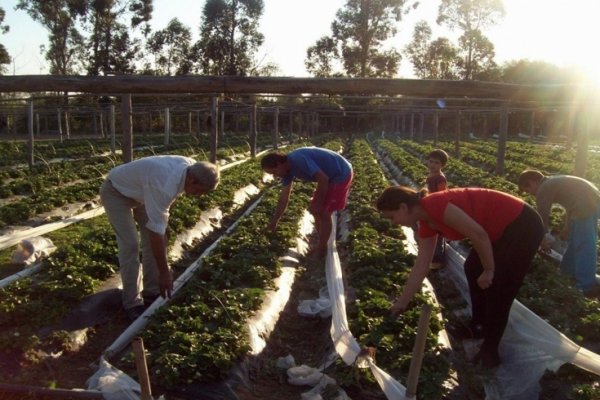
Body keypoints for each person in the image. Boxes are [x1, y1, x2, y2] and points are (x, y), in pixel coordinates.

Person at [376, 186, 544, 368]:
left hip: (522, 224)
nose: (392, 223)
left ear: (403, 207)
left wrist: (489, 269)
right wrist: (402, 302)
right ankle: (478, 326)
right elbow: (422, 264)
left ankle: (490, 350)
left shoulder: (434, 204)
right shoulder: (426, 222)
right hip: (497, 231)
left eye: (391, 217)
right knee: (472, 268)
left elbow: (478, 234)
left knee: (499, 287)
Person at [100, 155, 220, 321]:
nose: (199, 195)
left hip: (143, 192)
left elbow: (166, 207)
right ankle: (132, 302)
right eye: (200, 191)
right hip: (116, 191)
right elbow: (156, 232)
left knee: (157, 237)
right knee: (131, 244)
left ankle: (152, 291)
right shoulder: (164, 183)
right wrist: (164, 273)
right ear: (192, 180)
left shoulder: (193, 168)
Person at [261, 147, 353, 258]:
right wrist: (274, 222)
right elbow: (283, 199)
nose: (275, 176)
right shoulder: (287, 172)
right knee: (314, 211)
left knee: (325, 212)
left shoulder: (298, 160)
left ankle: (322, 248)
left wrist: (319, 204)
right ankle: (322, 241)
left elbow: (323, 179)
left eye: (274, 172)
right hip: (327, 178)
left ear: (279, 164)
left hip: (340, 173)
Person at [518, 170, 600, 294]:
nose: (530, 194)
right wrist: (567, 226)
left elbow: (542, 216)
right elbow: (570, 204)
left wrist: (543, 239)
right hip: (587, 200)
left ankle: (586, 286)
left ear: (531, 182)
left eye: (527, 190)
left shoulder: (543, 188)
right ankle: (567, 272)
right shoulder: (552, 182)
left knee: (584, 244)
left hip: (587, 203)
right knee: (574, 242)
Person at [424, 149, 449, 269]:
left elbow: (442, 195)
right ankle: (433, 258)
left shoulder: (440, 178)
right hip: (430, 208)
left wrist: (438, 211)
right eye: (431, 161)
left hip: (437, 210)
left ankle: (439, 261)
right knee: (433, 234)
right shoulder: (430, 176)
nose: (433, 165)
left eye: (437, 163)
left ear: (442, 165)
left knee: (438, 236)